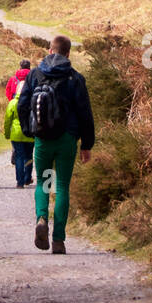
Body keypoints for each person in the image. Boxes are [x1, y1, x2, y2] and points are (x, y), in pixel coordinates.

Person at [17, 35, 94, 254]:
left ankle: (42, 218)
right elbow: (85, 114)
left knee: (43, 181)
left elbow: (22, 105)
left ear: (50, 50)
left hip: (42, 137)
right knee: (61, 187)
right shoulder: (74, 78)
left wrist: (29, 130)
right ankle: (58, 239)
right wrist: (87, 144)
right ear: (68, 54)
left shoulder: (35, 74)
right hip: (67, 139)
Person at [4, 85, 34, 188]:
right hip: (30, 133)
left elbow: (8, 120)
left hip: (16, 134)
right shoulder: (32, 101)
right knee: (29, 156)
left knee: (19, 157)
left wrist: (7, 133)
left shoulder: (12, 103)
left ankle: (20, 182)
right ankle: (27, 178)